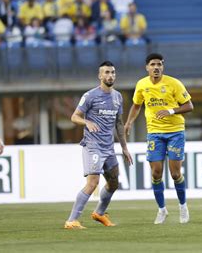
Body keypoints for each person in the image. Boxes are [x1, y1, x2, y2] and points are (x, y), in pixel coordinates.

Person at [124, 53, 193, 224]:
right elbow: (136, 105)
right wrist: (129, 122)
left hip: (175, 131)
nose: (156, 67)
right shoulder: (142, 84)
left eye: (159, 64)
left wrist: (170, 111)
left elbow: (189, 106)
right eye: (153, 64)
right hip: (154, 132)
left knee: (175, 173)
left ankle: (183, 206)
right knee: (156, 173)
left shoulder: (173, 83)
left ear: (163, 66)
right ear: (147, 67)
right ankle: (162, 209)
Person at [64, 61, 133, 229]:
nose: (110, 75)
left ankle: (99, 213)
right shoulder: (90, 96)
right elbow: (75, 116)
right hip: (92, 145)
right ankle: (71, 220)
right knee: (93, 182)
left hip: (109, 147)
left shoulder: (117, 97)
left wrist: (124, 147)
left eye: (113, 72)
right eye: (107, 72)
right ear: (100, 76)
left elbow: (118, 124)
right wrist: (86, 121)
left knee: (114, 183)